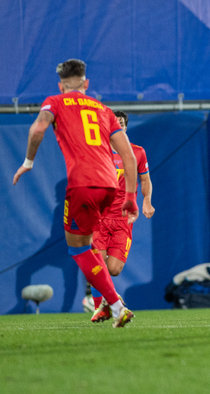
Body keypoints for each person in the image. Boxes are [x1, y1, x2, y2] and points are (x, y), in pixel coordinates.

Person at [12, 59, 137, 327]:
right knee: (92, 247)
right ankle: (108, 303)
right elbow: (127, 155)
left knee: (77, 249)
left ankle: (115, 306)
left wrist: (28, 163)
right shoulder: (103, 109)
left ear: (60, 84)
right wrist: (129, 198)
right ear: (86, 83)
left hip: (83, 183)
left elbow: (38, 128)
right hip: (109, 186)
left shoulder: (55, 102)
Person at [89, 110, 156, 321]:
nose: (117, 126)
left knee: (114, 269)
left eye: (120, 123)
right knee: (96, 267)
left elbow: (145, 181)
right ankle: (101, 308)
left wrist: (146, 201)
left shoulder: (137, 152)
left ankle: (110, 297)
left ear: (125, 127)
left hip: (122, 220)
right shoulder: (97, 151)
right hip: (99, 218)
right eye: (113, 123)